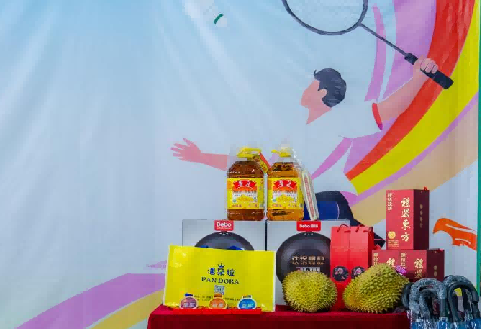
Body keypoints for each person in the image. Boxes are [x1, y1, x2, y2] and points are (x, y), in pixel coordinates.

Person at [172, 56, 440, 227]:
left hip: (325, 205)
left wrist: (418, 77)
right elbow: (258, 166)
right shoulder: (295, 133)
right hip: (293, 206)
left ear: (322, 92)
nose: (304, 90)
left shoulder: (339, 119)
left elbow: (388, 109)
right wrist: (201, 157)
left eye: (310, 85)